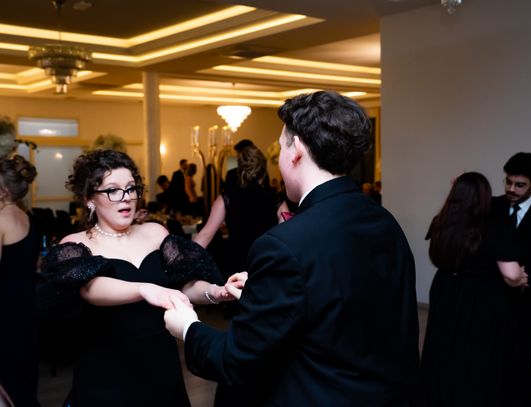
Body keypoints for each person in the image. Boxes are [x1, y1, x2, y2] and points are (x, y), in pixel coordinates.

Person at [164, 91, 420, 405]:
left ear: (296, 150)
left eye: (282, 146)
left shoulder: (283, 244)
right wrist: (267, 293)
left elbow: (236, 361)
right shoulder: (385, 222)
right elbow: (345, 303)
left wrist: (188, 328)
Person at [41, 149, 236, 407]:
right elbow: (91, 288)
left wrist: (215, 291)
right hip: (106, 373)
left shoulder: (155, 232)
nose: (126, 197)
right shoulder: (75, 244)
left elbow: (184, 285)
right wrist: (145, 289)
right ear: (89, 199)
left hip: (161, 364)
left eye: (131, 188)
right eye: (113, 190)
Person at [420, 172, 527, 407]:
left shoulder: (441, 221)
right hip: (480, 296)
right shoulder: (490, 228)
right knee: (475, 351)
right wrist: (521, 279)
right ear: (484, 198)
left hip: (445, 289)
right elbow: (511, 274)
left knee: (444, 345)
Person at [490, 152, 531, 406]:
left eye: (519, 184)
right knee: (489, 357)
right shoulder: (491, 206)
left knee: (522, 360)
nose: (511, 189)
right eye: (508, 182)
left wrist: (529, 281)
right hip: (490, 299)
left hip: (525, 304)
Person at [194, 145, 277, 277]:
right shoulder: (276, 200)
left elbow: (205, 235)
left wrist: (180, 262)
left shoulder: (226, 198)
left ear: (240, 170)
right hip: (265, 269)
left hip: (234, 271)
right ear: (264, 172)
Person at [0, 155, 39, 407]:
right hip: (27, 308)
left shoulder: (0, 220)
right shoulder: (26, 217)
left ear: (3, 191)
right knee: (23, 383)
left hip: (4, 313)